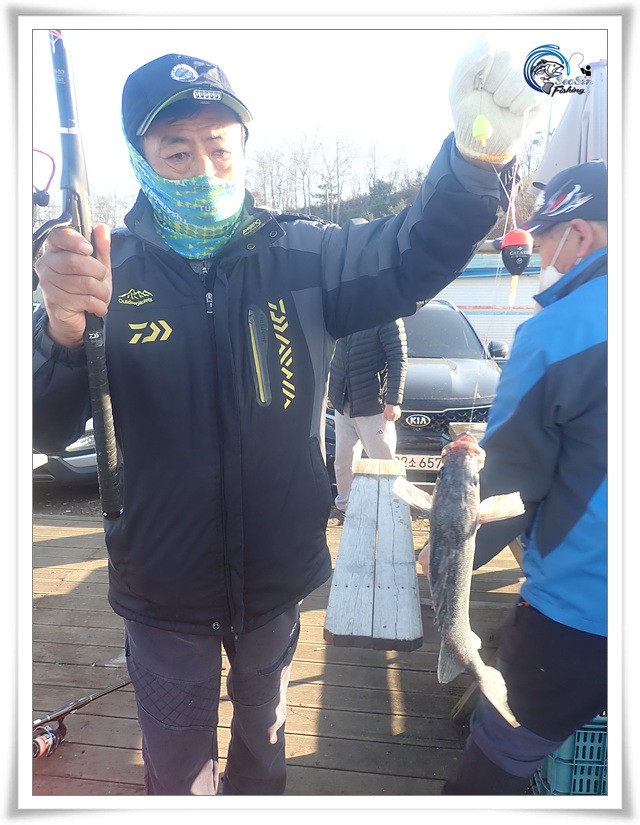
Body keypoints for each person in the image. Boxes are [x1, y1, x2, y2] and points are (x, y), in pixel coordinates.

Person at [32, 40, 539, 795]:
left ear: (244, 149)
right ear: (139, 159)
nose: (205, 170)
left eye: (221, 147)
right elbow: (39, 429)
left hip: (277, 576)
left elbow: (411, 254)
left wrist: (474, 166)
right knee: (178, 775)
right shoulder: (106, 268)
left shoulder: (305, 251)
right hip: (159, 586)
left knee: (264, 746)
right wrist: (60, 334)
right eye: (177, 151)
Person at [424, 160, 608, 795]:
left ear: (580, 234)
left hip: (584, 611)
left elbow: (510, 479)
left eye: (547, 240)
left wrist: (441, 557)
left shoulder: (559, 331)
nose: (541, 257)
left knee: (500, 760)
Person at [328, 319, 407, 523]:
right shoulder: (347, 314)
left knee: (384, 464)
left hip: (373, 406)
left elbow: (398, 359)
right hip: (343, 403)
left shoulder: (389, 317)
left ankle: (393, 511)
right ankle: (345, 509)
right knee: (343, 463)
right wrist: (332, 393)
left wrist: (393, 401)